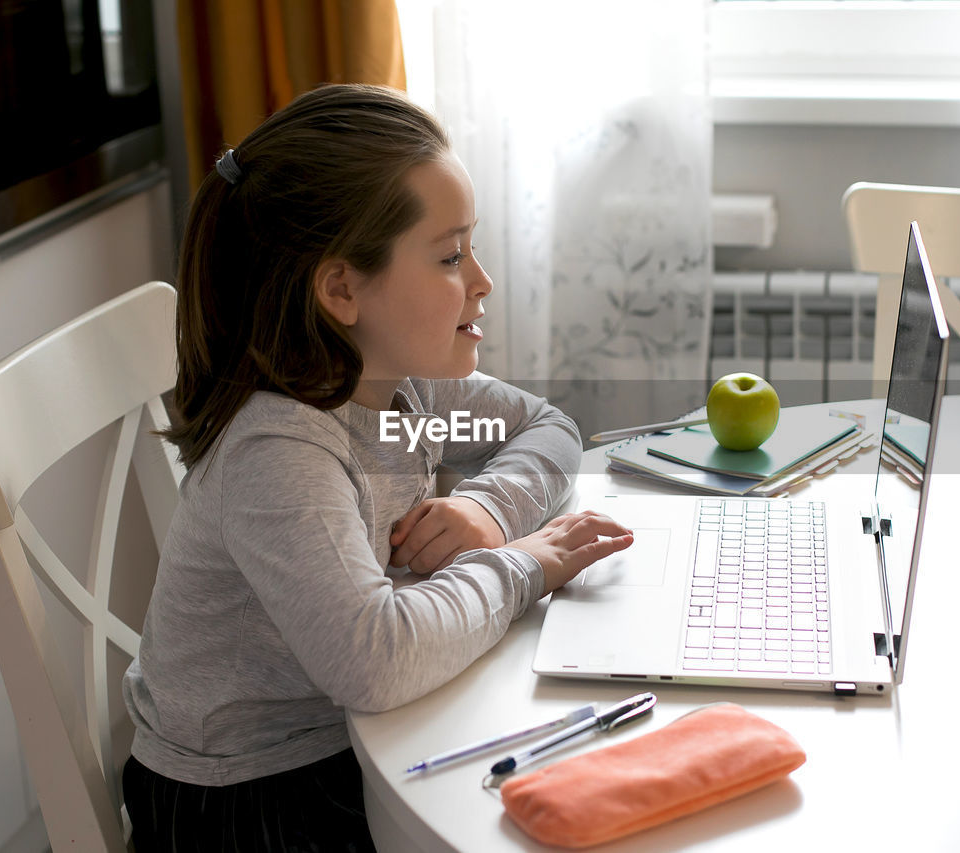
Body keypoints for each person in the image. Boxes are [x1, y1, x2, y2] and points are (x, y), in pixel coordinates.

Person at [121, 83, 634, 852]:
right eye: (451, 255)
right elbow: (374, 657)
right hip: (249, 798)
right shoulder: (282, 447)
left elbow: (547, 425)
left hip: (345, 736)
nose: (482, 280)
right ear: (341, 289)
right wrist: (525, 563)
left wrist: (490, 511)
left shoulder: (406, 386)